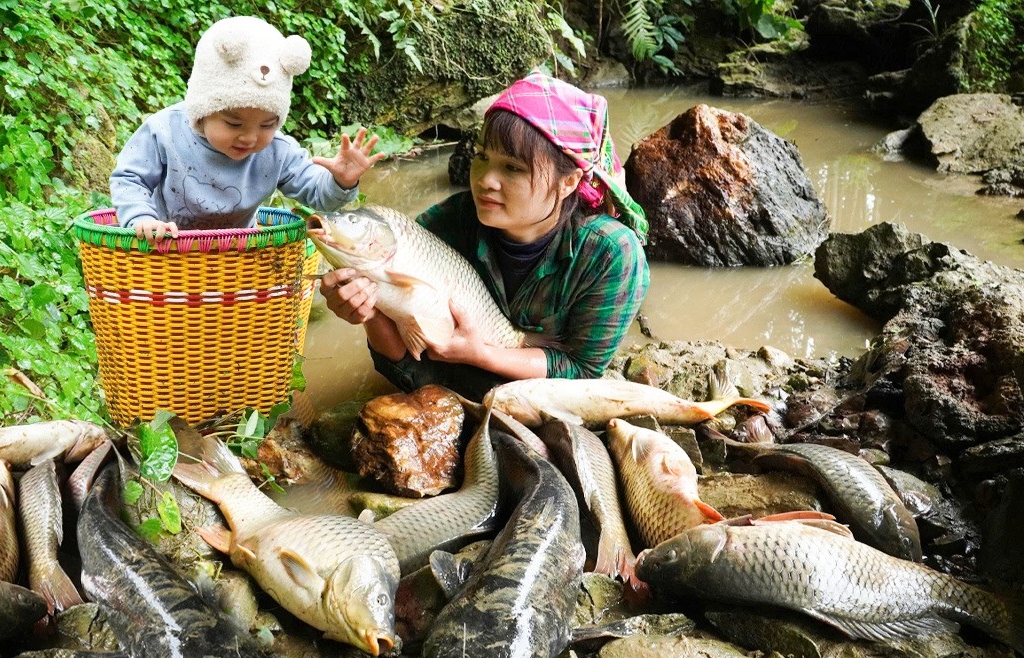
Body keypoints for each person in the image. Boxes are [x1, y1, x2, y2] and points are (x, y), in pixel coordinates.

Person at [318, 70, 650, 401]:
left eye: (512, 168)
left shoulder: (611, 254)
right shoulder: (444, 224)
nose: (485, 180)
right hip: (444, 394)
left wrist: (481, 354)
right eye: (482, 157)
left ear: (569, 182)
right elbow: (409, 366)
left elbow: (580, 370)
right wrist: (371, 312)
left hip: (545, 401)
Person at [110, 16, 383, 240]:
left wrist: (341, 181)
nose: (250, 137)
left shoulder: (278, 150)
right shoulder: (166, 131)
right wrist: (141, 218)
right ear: (202, 110)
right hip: (166, 252)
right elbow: (130, 178)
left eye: (268, 124)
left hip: (237, 259)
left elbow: (318, 194)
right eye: (233, 123)